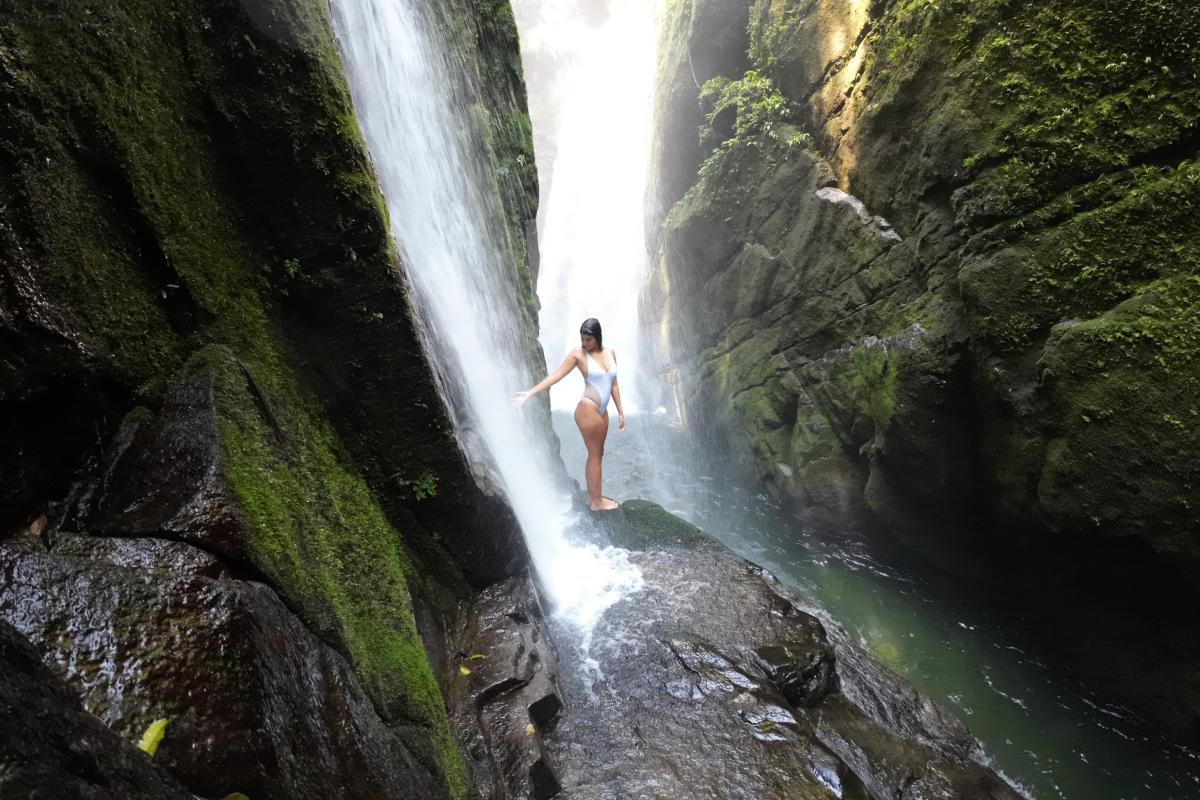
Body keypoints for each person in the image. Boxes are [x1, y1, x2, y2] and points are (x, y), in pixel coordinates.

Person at [512, 318, 625, 511]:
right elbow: (555, 376)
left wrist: (620, 412)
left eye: (588, 339)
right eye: (582, 339)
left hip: (602, 411)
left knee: (598, 454)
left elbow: (613, 383)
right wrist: (529, 393)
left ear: (597, 337)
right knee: (594, 456)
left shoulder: (610, 352)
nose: (584, 343)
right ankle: (597, 502)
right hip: (587, 409)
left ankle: (592, 498)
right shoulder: (578, 354)